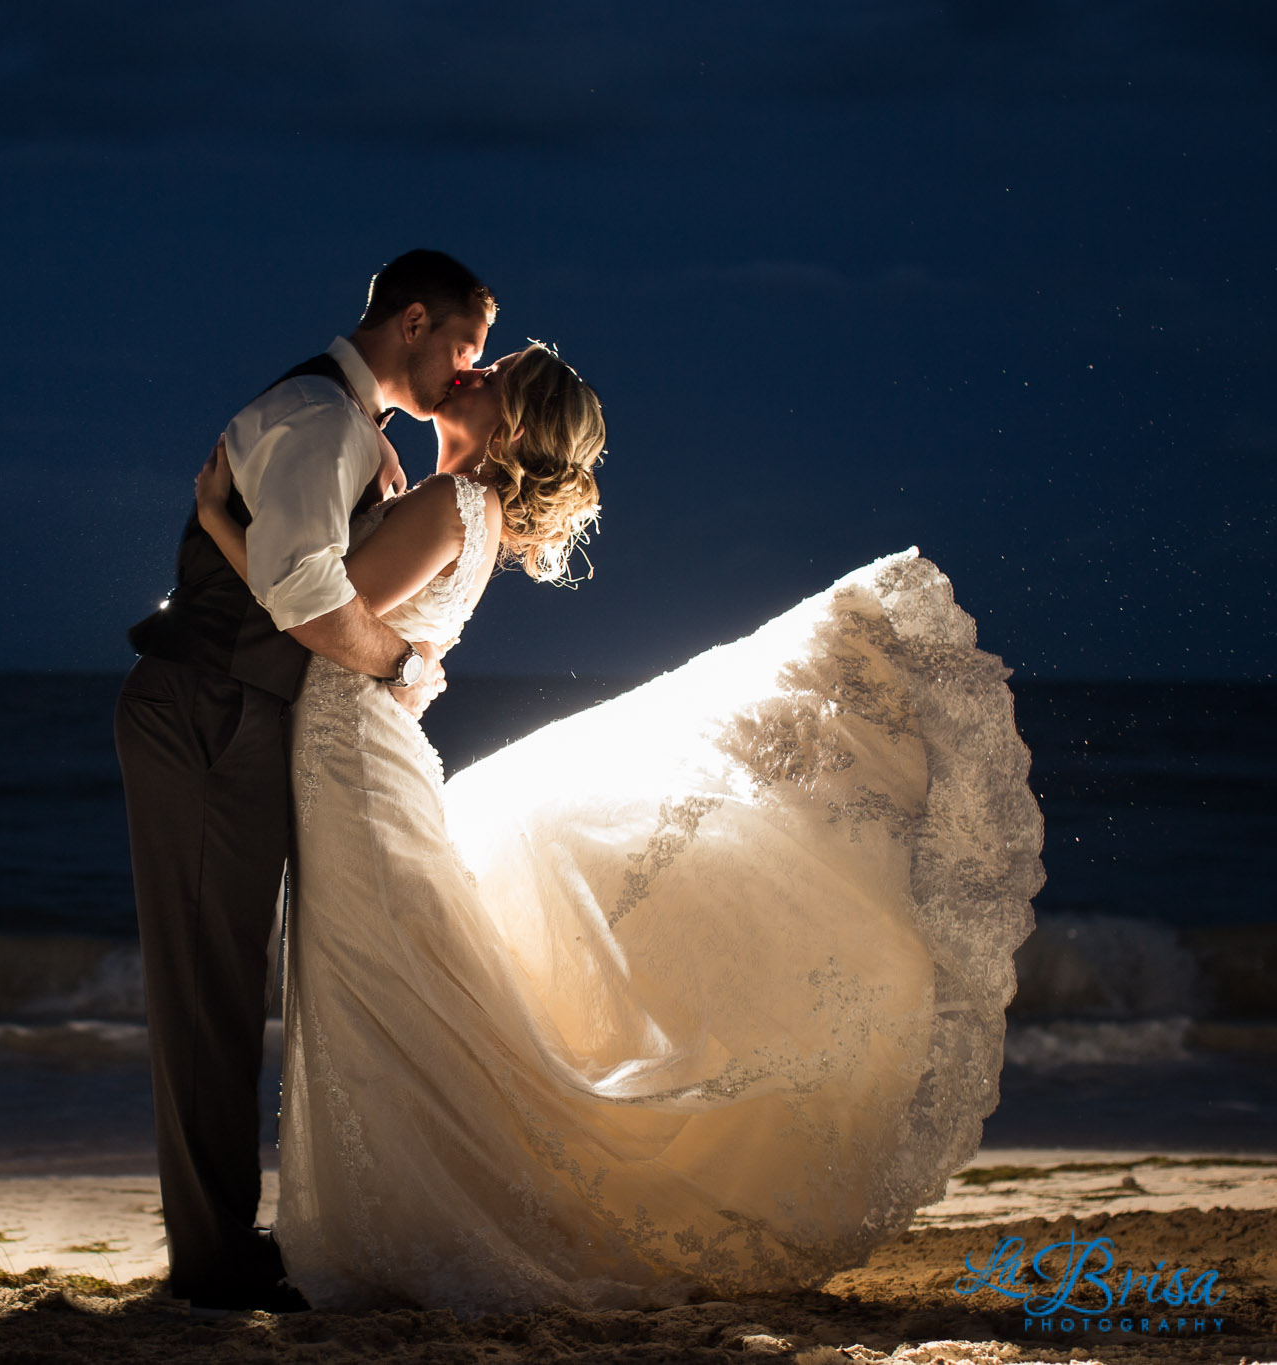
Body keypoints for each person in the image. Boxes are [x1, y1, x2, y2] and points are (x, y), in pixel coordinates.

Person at [194, 342, 1044, 1314]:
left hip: (353, 757)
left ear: (509, 425)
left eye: (493, 374)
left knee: (378, 985)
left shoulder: (447, 507)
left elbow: (307, 609)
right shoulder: (460, 508)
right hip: (362, 753)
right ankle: (392, 1213)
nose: (469, 374)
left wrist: (220, 514)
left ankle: (407, 1223)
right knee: (389, 989)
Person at [113, 250, 493, 1313]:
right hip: (205, 708)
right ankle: (213, 1262)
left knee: (235, 982)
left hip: (244, 713)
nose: (466, 368)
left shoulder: (354, 433)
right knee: (209, 990)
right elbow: (304, 600)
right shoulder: (319, 419)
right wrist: (408, 666)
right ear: (412, 322)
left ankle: (230, 1240)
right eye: (462, 344)